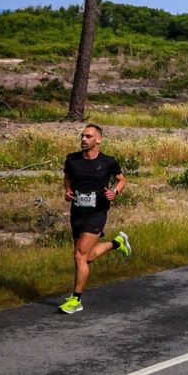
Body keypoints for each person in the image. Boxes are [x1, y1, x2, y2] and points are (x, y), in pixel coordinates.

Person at [59, 124, 130, 314]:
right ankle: (117, 243)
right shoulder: (72, 159)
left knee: (79, 256)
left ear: (98, 140)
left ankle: (76, 300)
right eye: (82, 136)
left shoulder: (107, 161)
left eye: (88, 136)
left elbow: (121, 180)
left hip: (97, 213)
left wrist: (114, 192)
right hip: (77, 212)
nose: (83, 139)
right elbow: (67, 178)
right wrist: (67, 190)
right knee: (87, 257)